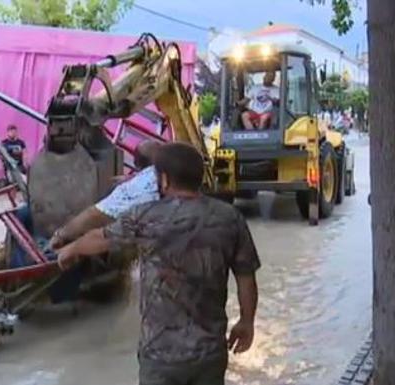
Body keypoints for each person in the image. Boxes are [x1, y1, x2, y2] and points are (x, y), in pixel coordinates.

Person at [56, 142, 260, 385]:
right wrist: (247, 322)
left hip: (160, 355)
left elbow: (100, 238)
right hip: (210, 353)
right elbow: (246, 276)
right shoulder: (230, 218)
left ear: (163, 179)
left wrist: (70, 249)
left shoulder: (144, 216)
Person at [49, 140, 162, 248]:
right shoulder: (168, 173)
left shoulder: (143, 185)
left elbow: (96, 215)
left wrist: (60, 235)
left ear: (138, 167)